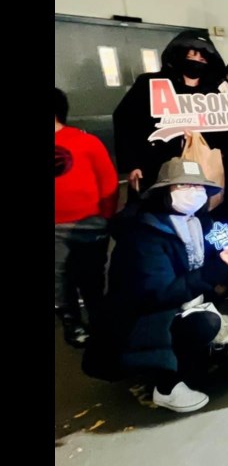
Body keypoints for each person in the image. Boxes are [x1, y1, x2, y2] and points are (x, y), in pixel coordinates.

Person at [83, 158, 228, 413]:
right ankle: (165, 385)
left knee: (216, 358)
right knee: (206, 325)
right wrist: (217, 270)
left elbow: (209, 263)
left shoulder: (198, 223)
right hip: (143, 318)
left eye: (198, 186)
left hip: (185, 302)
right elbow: (160, 293)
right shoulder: (144, 235)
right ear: (164, 192)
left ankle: (180, 363)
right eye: (183, 186)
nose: (194, 193)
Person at [113, 32, 226, 192]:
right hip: (154, 167)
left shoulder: (212, 93)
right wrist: (132, 165)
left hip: (199, 171)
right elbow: (125, 121)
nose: (196, 63)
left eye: (202, 60)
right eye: (190, 58)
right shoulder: (150, 84)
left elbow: (221, 132)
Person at [55, 88, 119, 347]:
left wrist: (105, 215)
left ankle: (99, 320)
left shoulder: (86, 141)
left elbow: (108, 181)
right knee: (59, 279)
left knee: (91, 277)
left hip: (90, 224)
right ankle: (72, 322)